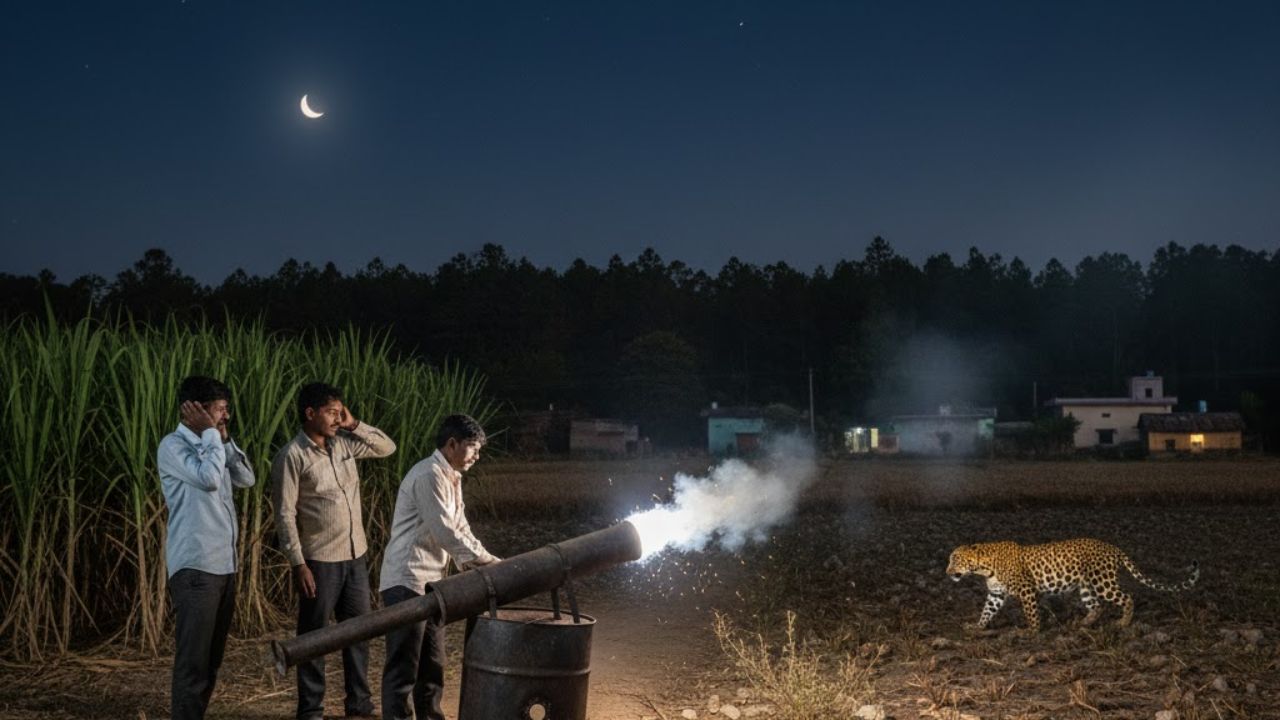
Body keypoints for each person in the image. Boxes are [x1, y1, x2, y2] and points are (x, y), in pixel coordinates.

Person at [272, 382, 396, 720]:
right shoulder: (292, 456)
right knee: (314, 637)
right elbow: (284, 514)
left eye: (340, 411)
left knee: (358, 632)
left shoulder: (344, 445)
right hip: (319, 560)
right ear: (310, 413)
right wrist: (298, 564)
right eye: (331, 412)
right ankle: (311, 710)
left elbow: (387, 447)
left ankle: (359, 704)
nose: (337, 418)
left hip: (356, 556)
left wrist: (354, 424)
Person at [379, 414, 499, 720]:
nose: (477, 455)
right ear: (451, 444)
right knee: (404, 665)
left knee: (432, 664)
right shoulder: (428, 475)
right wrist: (486, 562)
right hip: (407, 579)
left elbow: (461, 528)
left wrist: (485, 559)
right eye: (472, 447)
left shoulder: (451, 477)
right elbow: (446, 532)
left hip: (433, 584)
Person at [159, 375, 256, 720]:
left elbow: (246, 479)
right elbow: (210, 480)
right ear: (195, 410)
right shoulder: (173, 446)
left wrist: (222, 440)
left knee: (211, 660)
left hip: (223, 567)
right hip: (196, 568)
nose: (225, 416)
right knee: (193, 661)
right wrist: (213, 437)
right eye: (219, 410)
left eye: (226, 410)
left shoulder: (215, 444)